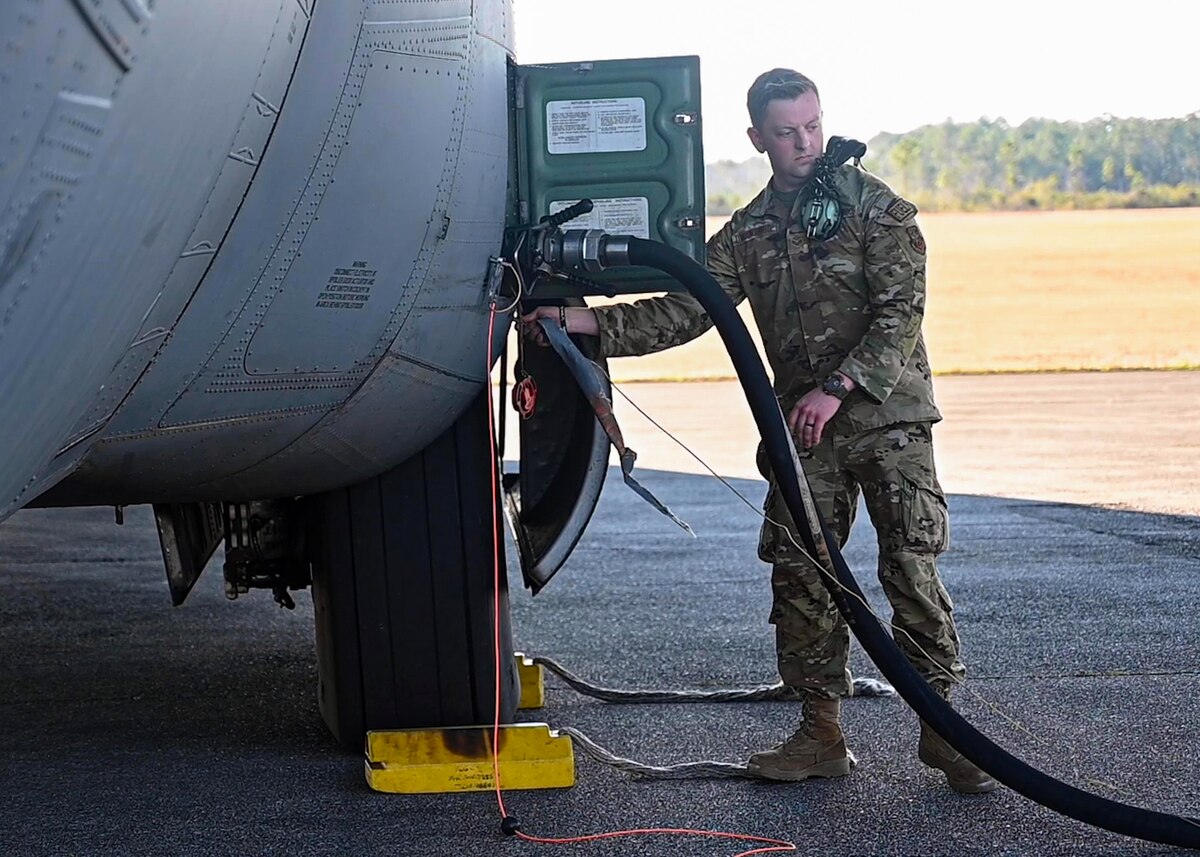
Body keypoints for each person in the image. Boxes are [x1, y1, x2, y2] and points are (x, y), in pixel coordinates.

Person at [521, 68, 995, 794]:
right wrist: (582, 322)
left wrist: (837, 389)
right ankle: (820, 732)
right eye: (786, 132)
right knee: (803, 575)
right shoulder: (748, 232)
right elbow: (687, 309)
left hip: (887, 422)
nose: (804, 142)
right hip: (804, 438)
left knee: (911, 569)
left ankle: (944, 729)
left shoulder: (878, 211)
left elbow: (902, 314)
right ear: (757, 139)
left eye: (811, 125)